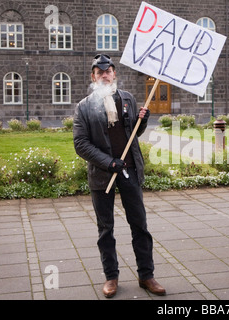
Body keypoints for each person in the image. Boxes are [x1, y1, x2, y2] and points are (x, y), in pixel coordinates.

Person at [73, 54, 166, 298]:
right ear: (93, 77)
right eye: (99, 71)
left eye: (109, 71)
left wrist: (143, 121)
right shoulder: (84, 107)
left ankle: (147, 275)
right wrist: (108, 162)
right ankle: (111, 277)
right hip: (102, 175)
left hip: (130, 170)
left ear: (114, 74)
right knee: (106, 229)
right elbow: (81, 144)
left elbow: (133, 132)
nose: (105, 75)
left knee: (140, 225)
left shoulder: (128, 99)